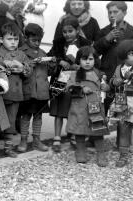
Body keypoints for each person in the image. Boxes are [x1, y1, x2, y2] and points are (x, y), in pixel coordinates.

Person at [93, 1, 133, 149]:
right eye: (109, 12)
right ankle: (98, 141)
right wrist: (106, 39)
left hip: (126, 78)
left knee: (122, 110)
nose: (112, 15)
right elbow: (95, 53)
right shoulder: (103, 32)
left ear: (124, 12)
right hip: (107, 75)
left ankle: (121, 143)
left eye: (115, 12)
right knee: (103, 106)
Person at [47, 15, 92, 153]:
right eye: (64, 32)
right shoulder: (58, 42)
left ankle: (73, 134)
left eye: (70, 31)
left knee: (74, 107)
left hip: (76, 79)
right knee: (59, 107)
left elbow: (90, 59)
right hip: (60, 77)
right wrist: (60, 61)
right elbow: (52, 55)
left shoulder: (85, 43)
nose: (67, 34)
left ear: (77, 30)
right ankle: (56, 137)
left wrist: (79, 66)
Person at [66, 46, 110, 167]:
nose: (87, 62)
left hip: (95, 107)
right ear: (78, 60)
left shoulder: (100, 74)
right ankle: (80, 150)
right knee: (79, 130)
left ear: (95, 60)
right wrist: (80, 88)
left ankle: (101, 153)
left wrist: (107, 88)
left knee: (98, 131)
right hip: (80, 107)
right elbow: (68, 88)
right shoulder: (75, 74)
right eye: (84, 59)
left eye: (90, 59)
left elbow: (106, 87)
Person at [0, 22, 32, 158]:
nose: (13, 42)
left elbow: (29, 69)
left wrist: (23, 68)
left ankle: (8, 147)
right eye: (9, 39)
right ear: (1, 40)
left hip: (15, 93)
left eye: (16, 39)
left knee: (10, 121)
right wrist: (3, 63)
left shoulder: (21, 54)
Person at [109, 40, 133, 169]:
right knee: (123, 130)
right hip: (122, 102)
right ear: (124, 55)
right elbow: (111, 81)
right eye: (131, 54)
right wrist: (115, 82)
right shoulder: (119, 68)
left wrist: (132, 76)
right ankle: (123, 156)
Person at [17, 23, 52, 152]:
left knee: (38, 116)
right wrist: (30, 64)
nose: (37, 43)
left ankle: (37, 140)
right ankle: (23, 139)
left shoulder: (43, 53)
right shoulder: (21, 52)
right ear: (26, 38)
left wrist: (51, 64)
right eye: (34, 40)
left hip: (42, 91)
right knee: (26, 116)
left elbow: (48, 72)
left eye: (39, 40)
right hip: (28, 90)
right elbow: (19, 70)